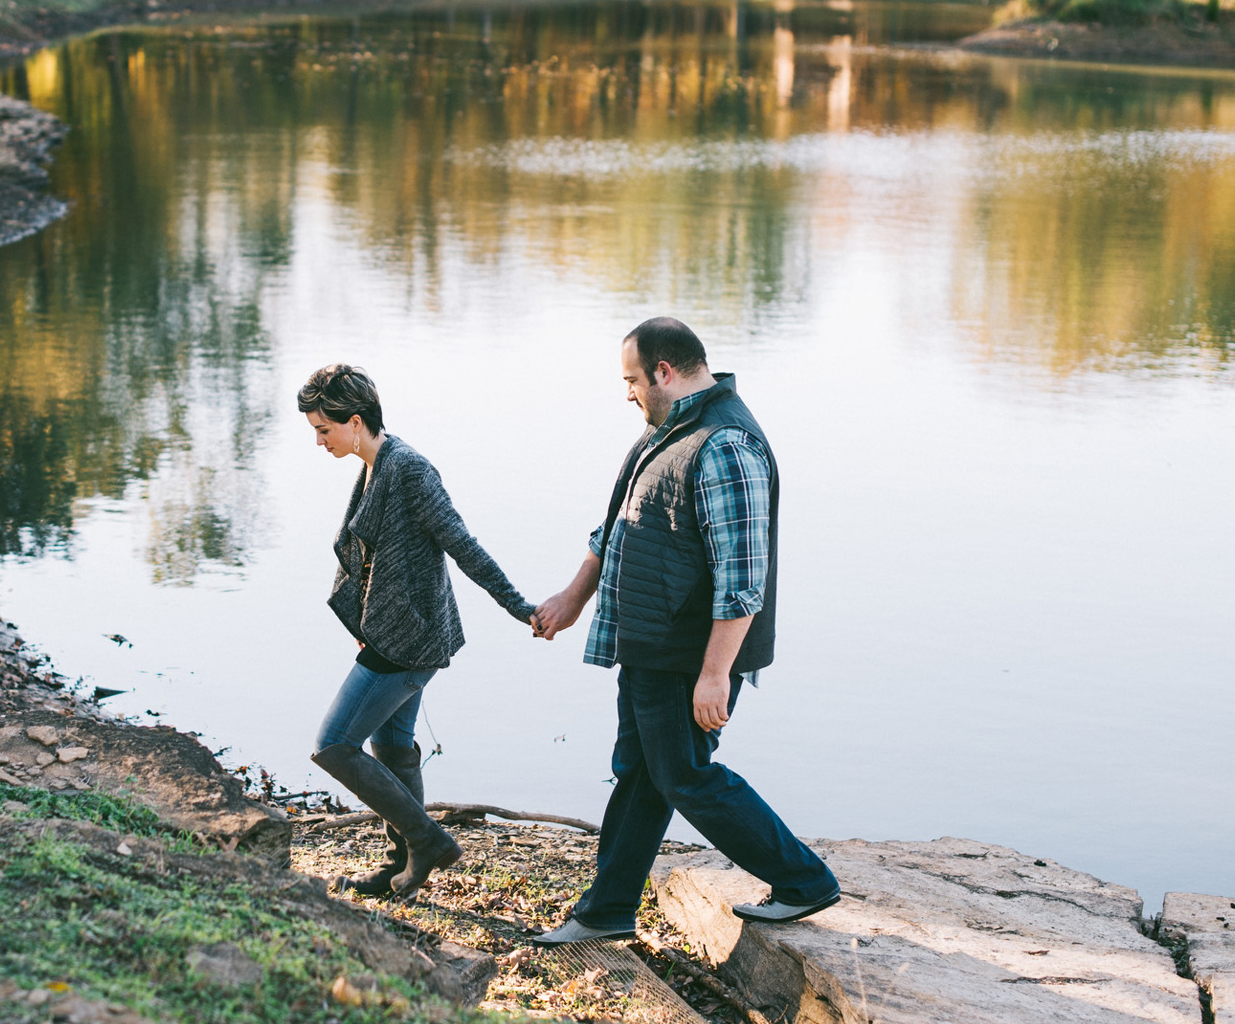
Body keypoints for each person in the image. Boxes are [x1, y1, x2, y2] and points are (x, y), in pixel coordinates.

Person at [527, 318, 839, 943]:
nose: (628, 393)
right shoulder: (667, 430)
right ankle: (607, 910)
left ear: (664, 372)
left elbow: (743, 577)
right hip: (651, 643)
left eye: (632, 380)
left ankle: (805, 881)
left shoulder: (724, 445)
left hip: (687, 655)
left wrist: (715, 674)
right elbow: (618, 525)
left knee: (685, 777)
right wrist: (573, 596)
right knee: (643, 775)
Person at [299, 364, 537, 899]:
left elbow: (462, 544)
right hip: (391, 632)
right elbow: (373, 561)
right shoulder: (373, 465)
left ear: (354, 421)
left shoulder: (409, 469)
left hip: (409, 638)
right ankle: (399, 864)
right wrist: (365, 618)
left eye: (323, 429)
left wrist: (519, 607)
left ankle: (426, 840)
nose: (318, 441)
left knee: (332, 745)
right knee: (390, 744)